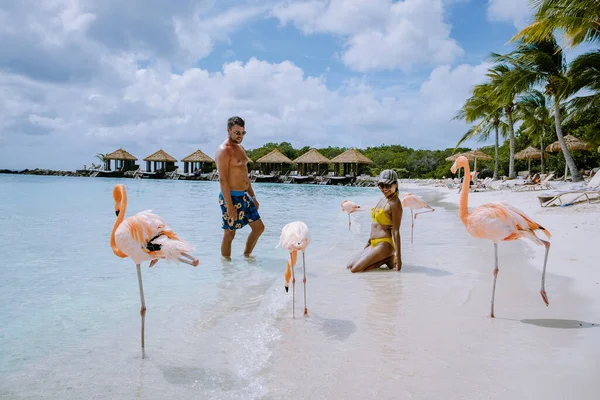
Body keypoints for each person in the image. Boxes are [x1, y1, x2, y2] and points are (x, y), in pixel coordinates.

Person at [215, 116, 265, 259]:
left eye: (243, 133)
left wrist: (253, 197)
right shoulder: (223, 150)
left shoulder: (241, 148)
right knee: (230, 233)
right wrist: (229, 206)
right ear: (228, 130)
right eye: (237, 132)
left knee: (259, 228)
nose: (240, 136)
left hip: (244, 195)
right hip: (230, 197)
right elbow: (223, 180)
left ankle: (247, 256)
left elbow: (245, 176)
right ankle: (227, 267)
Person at [346, 169, 403, 273]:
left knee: (355, 270)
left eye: (388, 185)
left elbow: (396, 230)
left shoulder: (395, 203)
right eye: (381, 186)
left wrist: (399, 258)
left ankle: (387, 257)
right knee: (349, 266)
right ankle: (385, 259)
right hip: (373, 243)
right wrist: (367, 245)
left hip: (384, 244)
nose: (385, 189)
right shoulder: (383, 199)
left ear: (396, 184)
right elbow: (376, 225)